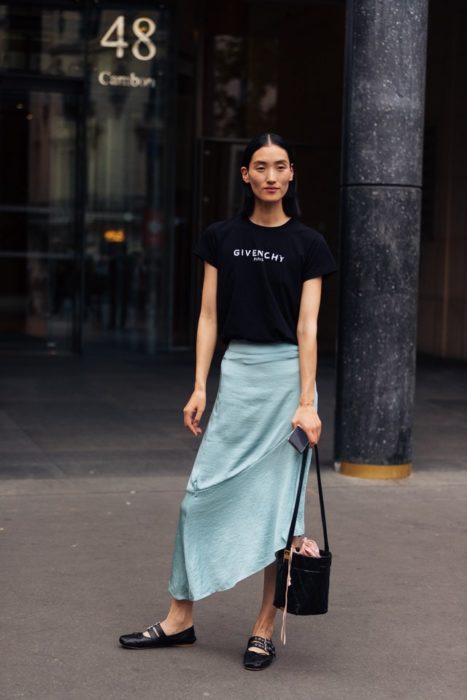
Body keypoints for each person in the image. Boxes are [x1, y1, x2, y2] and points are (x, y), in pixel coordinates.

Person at [119, 133, 337, 670]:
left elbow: (308, 327)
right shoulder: (221, 236)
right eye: (260, 166)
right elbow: (209, 316)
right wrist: (199, 386)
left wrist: (307, 401)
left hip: (288, 381)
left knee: (280, 515)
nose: (270, 175)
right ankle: (179, 619)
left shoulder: (310, 244)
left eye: (280, 166)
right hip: (237, 375)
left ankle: (263, 628)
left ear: (291, 176)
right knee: (198, 497)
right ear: (244, 175)